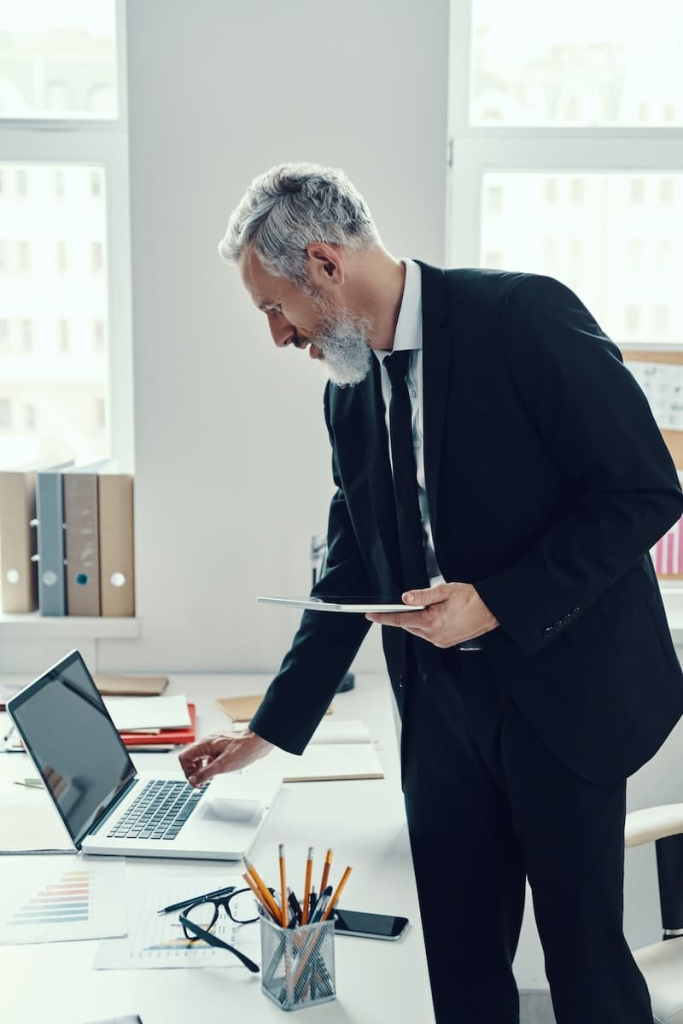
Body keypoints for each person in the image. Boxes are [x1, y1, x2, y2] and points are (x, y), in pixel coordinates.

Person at [179, 163, 683, 1023]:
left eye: (274, 308)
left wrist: (493, 601)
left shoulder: (522, 317)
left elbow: (643, 490)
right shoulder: (347, 394)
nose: (277, 336)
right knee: (459, 977)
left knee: (587, 973)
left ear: (325, 264)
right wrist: (268, 730)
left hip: (563, 704)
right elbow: (347, 569)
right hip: (440, 716)